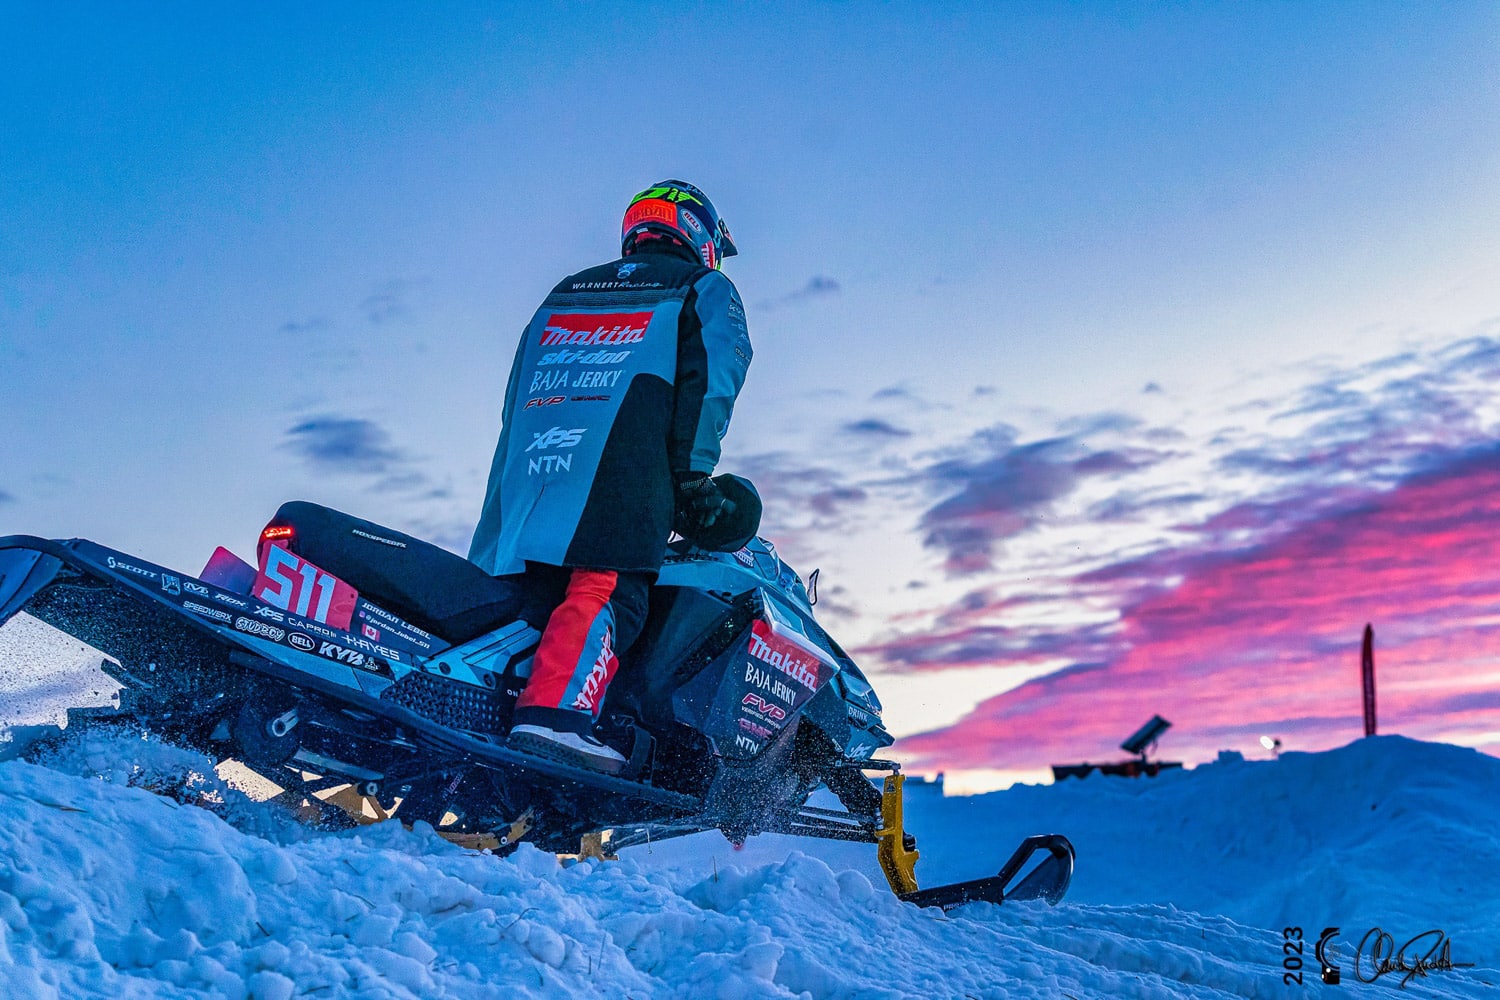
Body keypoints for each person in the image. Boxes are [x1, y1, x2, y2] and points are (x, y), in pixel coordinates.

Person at [468, 180, 752, 773]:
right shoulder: (703, 288)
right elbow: (710, 389)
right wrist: (692, 482)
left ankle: (482, 703)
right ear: (701, 235)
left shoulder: (564, 292)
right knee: (608, 589)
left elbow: (514, 395)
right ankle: (554, 717)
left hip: (530, 469)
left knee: (529, 601)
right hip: (620, 468)